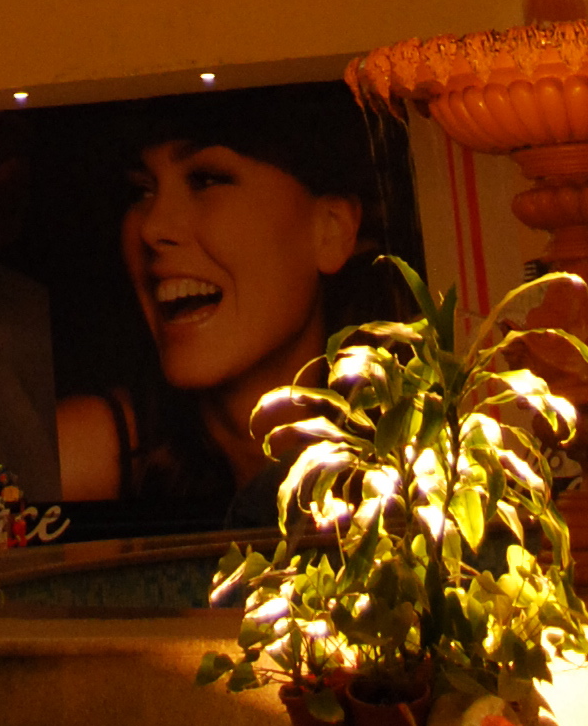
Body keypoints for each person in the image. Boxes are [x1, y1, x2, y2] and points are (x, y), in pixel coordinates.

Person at [54, 92, 398, 525]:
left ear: (331, 229)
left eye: (206, 180)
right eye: (141, 191)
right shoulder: (85, 455)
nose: (153, 227)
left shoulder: (427, 455)